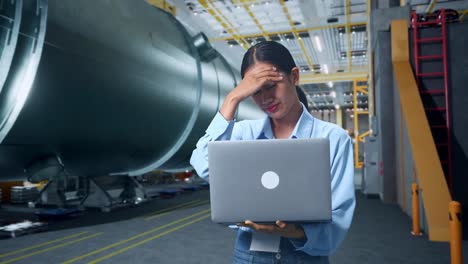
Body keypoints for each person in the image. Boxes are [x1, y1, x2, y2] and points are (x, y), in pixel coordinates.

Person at [190, 41, 355, 264]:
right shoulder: (243, 134)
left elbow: (339, 220)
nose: (265, 98)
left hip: (304, 257)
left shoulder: (334, 139)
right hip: (249, 255)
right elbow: (202, 163)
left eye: (270, 85)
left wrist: (295, 232)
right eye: (255, 91)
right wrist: (232, 99)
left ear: (294, 77)